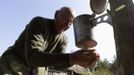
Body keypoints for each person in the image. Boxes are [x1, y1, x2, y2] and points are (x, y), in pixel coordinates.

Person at [0, 7, 99, 75]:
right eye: (65, 19)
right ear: (56, 14)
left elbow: (59, 64)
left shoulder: (64, 39)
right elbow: (33, 57)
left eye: (71, 23)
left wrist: (79, 61)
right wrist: (74, 58)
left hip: (35, 71)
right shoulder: (39, 23)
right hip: (13, 65)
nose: (67, 25)